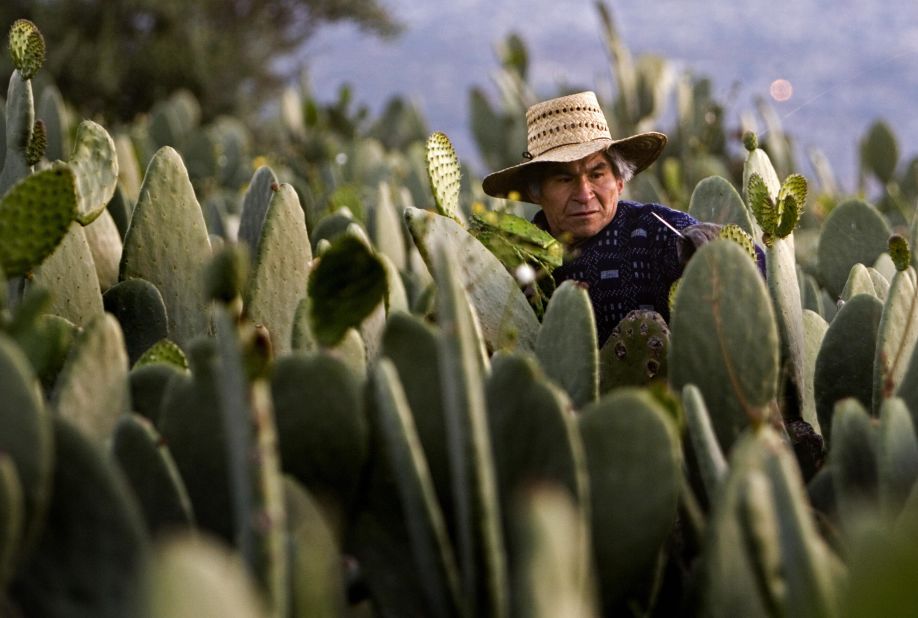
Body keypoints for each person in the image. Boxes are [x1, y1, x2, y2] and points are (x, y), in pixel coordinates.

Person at [481, 90, 740, 346]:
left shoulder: (655, 231)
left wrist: (715, 246)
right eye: (564, 178)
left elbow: (748, 272)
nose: (584, 194)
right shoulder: (515, 258)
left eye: (596, 175)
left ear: (619, 181)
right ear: (535, 192)